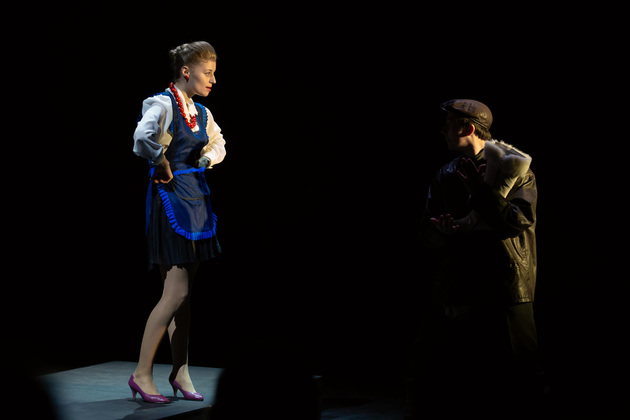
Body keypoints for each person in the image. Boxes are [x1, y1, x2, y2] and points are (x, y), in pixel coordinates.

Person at [408, 99, 544, 417]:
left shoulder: (515, 169)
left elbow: (517, 222)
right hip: (459, 285)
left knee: (518, 373)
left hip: (505, 284)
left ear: (467, 128)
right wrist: (444, 230)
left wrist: (481, 192)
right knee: (444, 373)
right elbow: (426, 230)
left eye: (448, 125)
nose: (442, 131)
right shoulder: (446, 173)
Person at [128, 41, 226, 404]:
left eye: (214, 73)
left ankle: (180, 371)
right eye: (207, 73)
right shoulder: (163, 104)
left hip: (195, 199)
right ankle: (141, 373)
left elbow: (218, 142)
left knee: (184, 298)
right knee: (175, 293)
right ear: (186, 72)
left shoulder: (201, 112)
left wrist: (207, 158)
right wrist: (160, 159)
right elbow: (142, 136)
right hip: (169, 199)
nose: (213, 79)